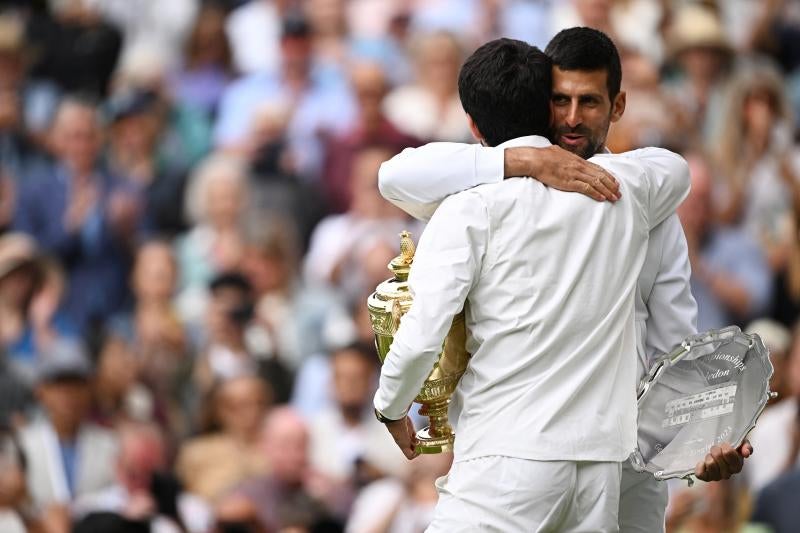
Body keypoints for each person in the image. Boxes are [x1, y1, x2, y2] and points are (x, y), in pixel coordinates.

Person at [375, 27, 748, 532]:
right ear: (539, 103)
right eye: (561, 101)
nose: (572, 118)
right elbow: (394, 176)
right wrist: (522, 159)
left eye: (588, 102)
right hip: (587, 469)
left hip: (601, 466)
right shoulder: (632, 195)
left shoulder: (634, 197)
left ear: (618, 106)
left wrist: (699, 439)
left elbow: (674, 343)